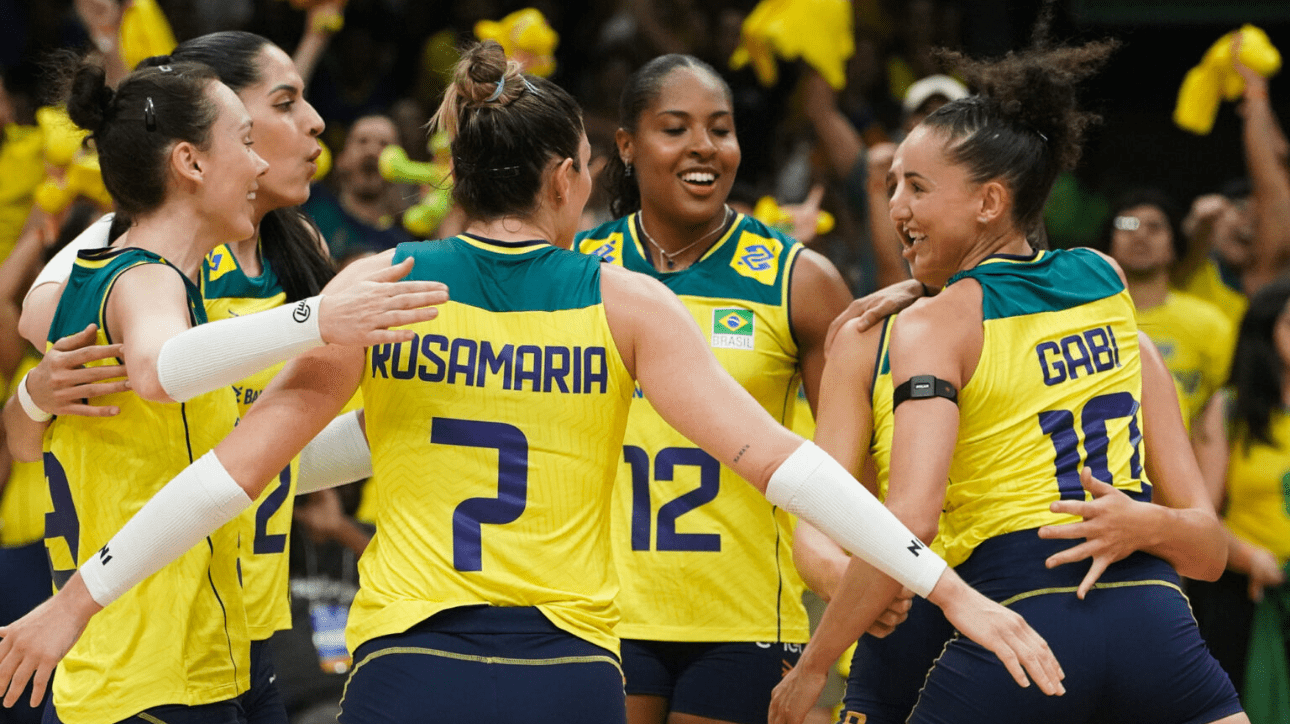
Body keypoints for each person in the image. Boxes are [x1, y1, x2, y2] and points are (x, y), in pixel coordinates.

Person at [0, 41, 1064, 722]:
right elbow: (780, 463)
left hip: (408, 672)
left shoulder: (383, 286)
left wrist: (71, 599)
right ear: (568, 178)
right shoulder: (626, 301)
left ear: (458, 175)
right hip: (567, 677)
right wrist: (953, 589)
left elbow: (229, 476)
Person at [770, 39, 1247, 724]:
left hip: (1013, 612)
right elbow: (1020, 290)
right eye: (892, 185)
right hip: (1155, 621)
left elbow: (910, 520)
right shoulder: (1102, 282)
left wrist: (815, 664)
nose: (897, 204)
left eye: (917, 186)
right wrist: (1152, 523)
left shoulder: (929, 329)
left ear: (991, 200)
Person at [576, 53, 854, 724]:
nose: (704, 146)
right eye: (676, 128)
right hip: (601, 607)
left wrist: (834, 550)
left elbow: (848, 453)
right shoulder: (574, 273)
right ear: (626, 146)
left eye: (720, 129)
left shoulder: (801, 281)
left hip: (747, 610)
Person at [1190, 278, 1290, 701]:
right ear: (1265, 330)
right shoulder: (1228, 408)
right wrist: (1250, 558)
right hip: (1248, 597)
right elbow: (1199, 518)